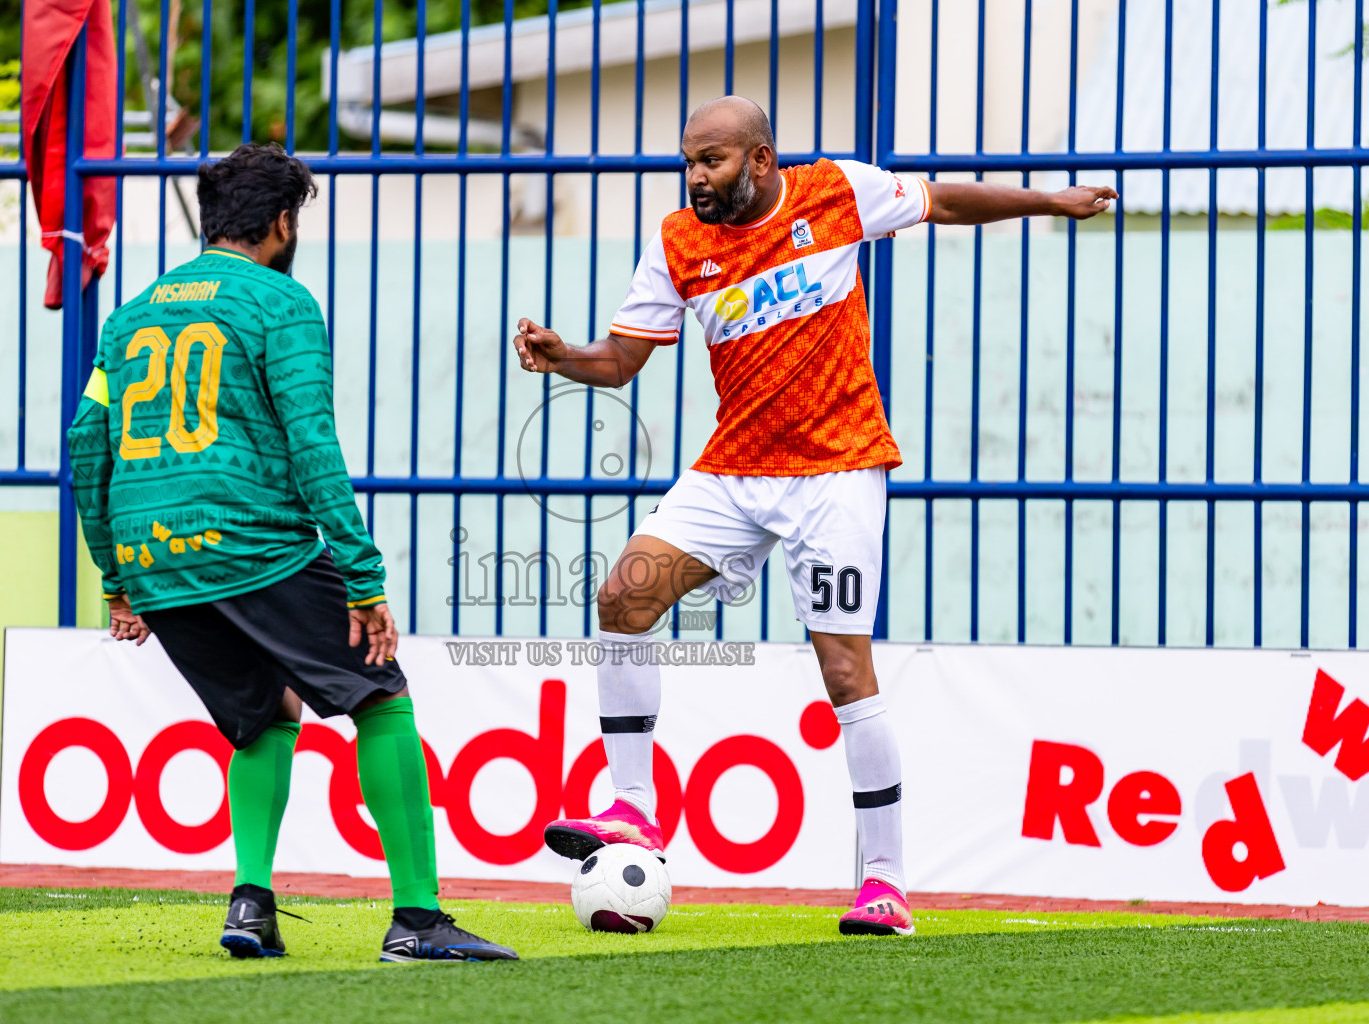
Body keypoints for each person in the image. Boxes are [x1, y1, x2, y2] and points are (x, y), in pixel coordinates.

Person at [514, 96, 1115, 937]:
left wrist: (1050, 202)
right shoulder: (678, 243)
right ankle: (634, 811)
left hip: (836, 469)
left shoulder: (836, 191)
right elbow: (619, 363)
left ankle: (884, 884)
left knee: (842, 671)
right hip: (734, 468)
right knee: (624, 597)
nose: (696, 177)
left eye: (713, 161)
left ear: (760, 160)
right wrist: (563, 357)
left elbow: (942, 202)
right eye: (689, 162)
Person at [68, 142, 517, 963]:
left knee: (263, 715)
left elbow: (86, 442)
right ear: (282, 221)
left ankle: (251, 906)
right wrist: (362, 576)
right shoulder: (282, 304)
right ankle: (418, 921)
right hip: (251, 542)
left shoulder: (131, 314)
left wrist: (116, 576)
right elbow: (313, 444)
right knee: (380, 697)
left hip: (155, 559)